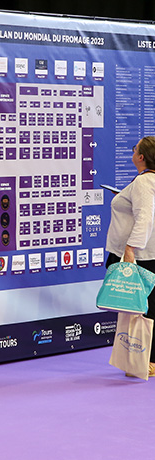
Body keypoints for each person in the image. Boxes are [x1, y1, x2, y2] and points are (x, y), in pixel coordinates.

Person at [105, 136, 155, 376]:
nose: (133, 151)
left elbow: (144, 216)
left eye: (135, 149)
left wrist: (130, 249)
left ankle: (145, 360)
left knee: (143, 310)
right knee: (147, 307)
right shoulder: (147, 182)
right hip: (148, 253)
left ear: (141, 157)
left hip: (141, 256)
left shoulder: (145, 183)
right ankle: (146, 359)